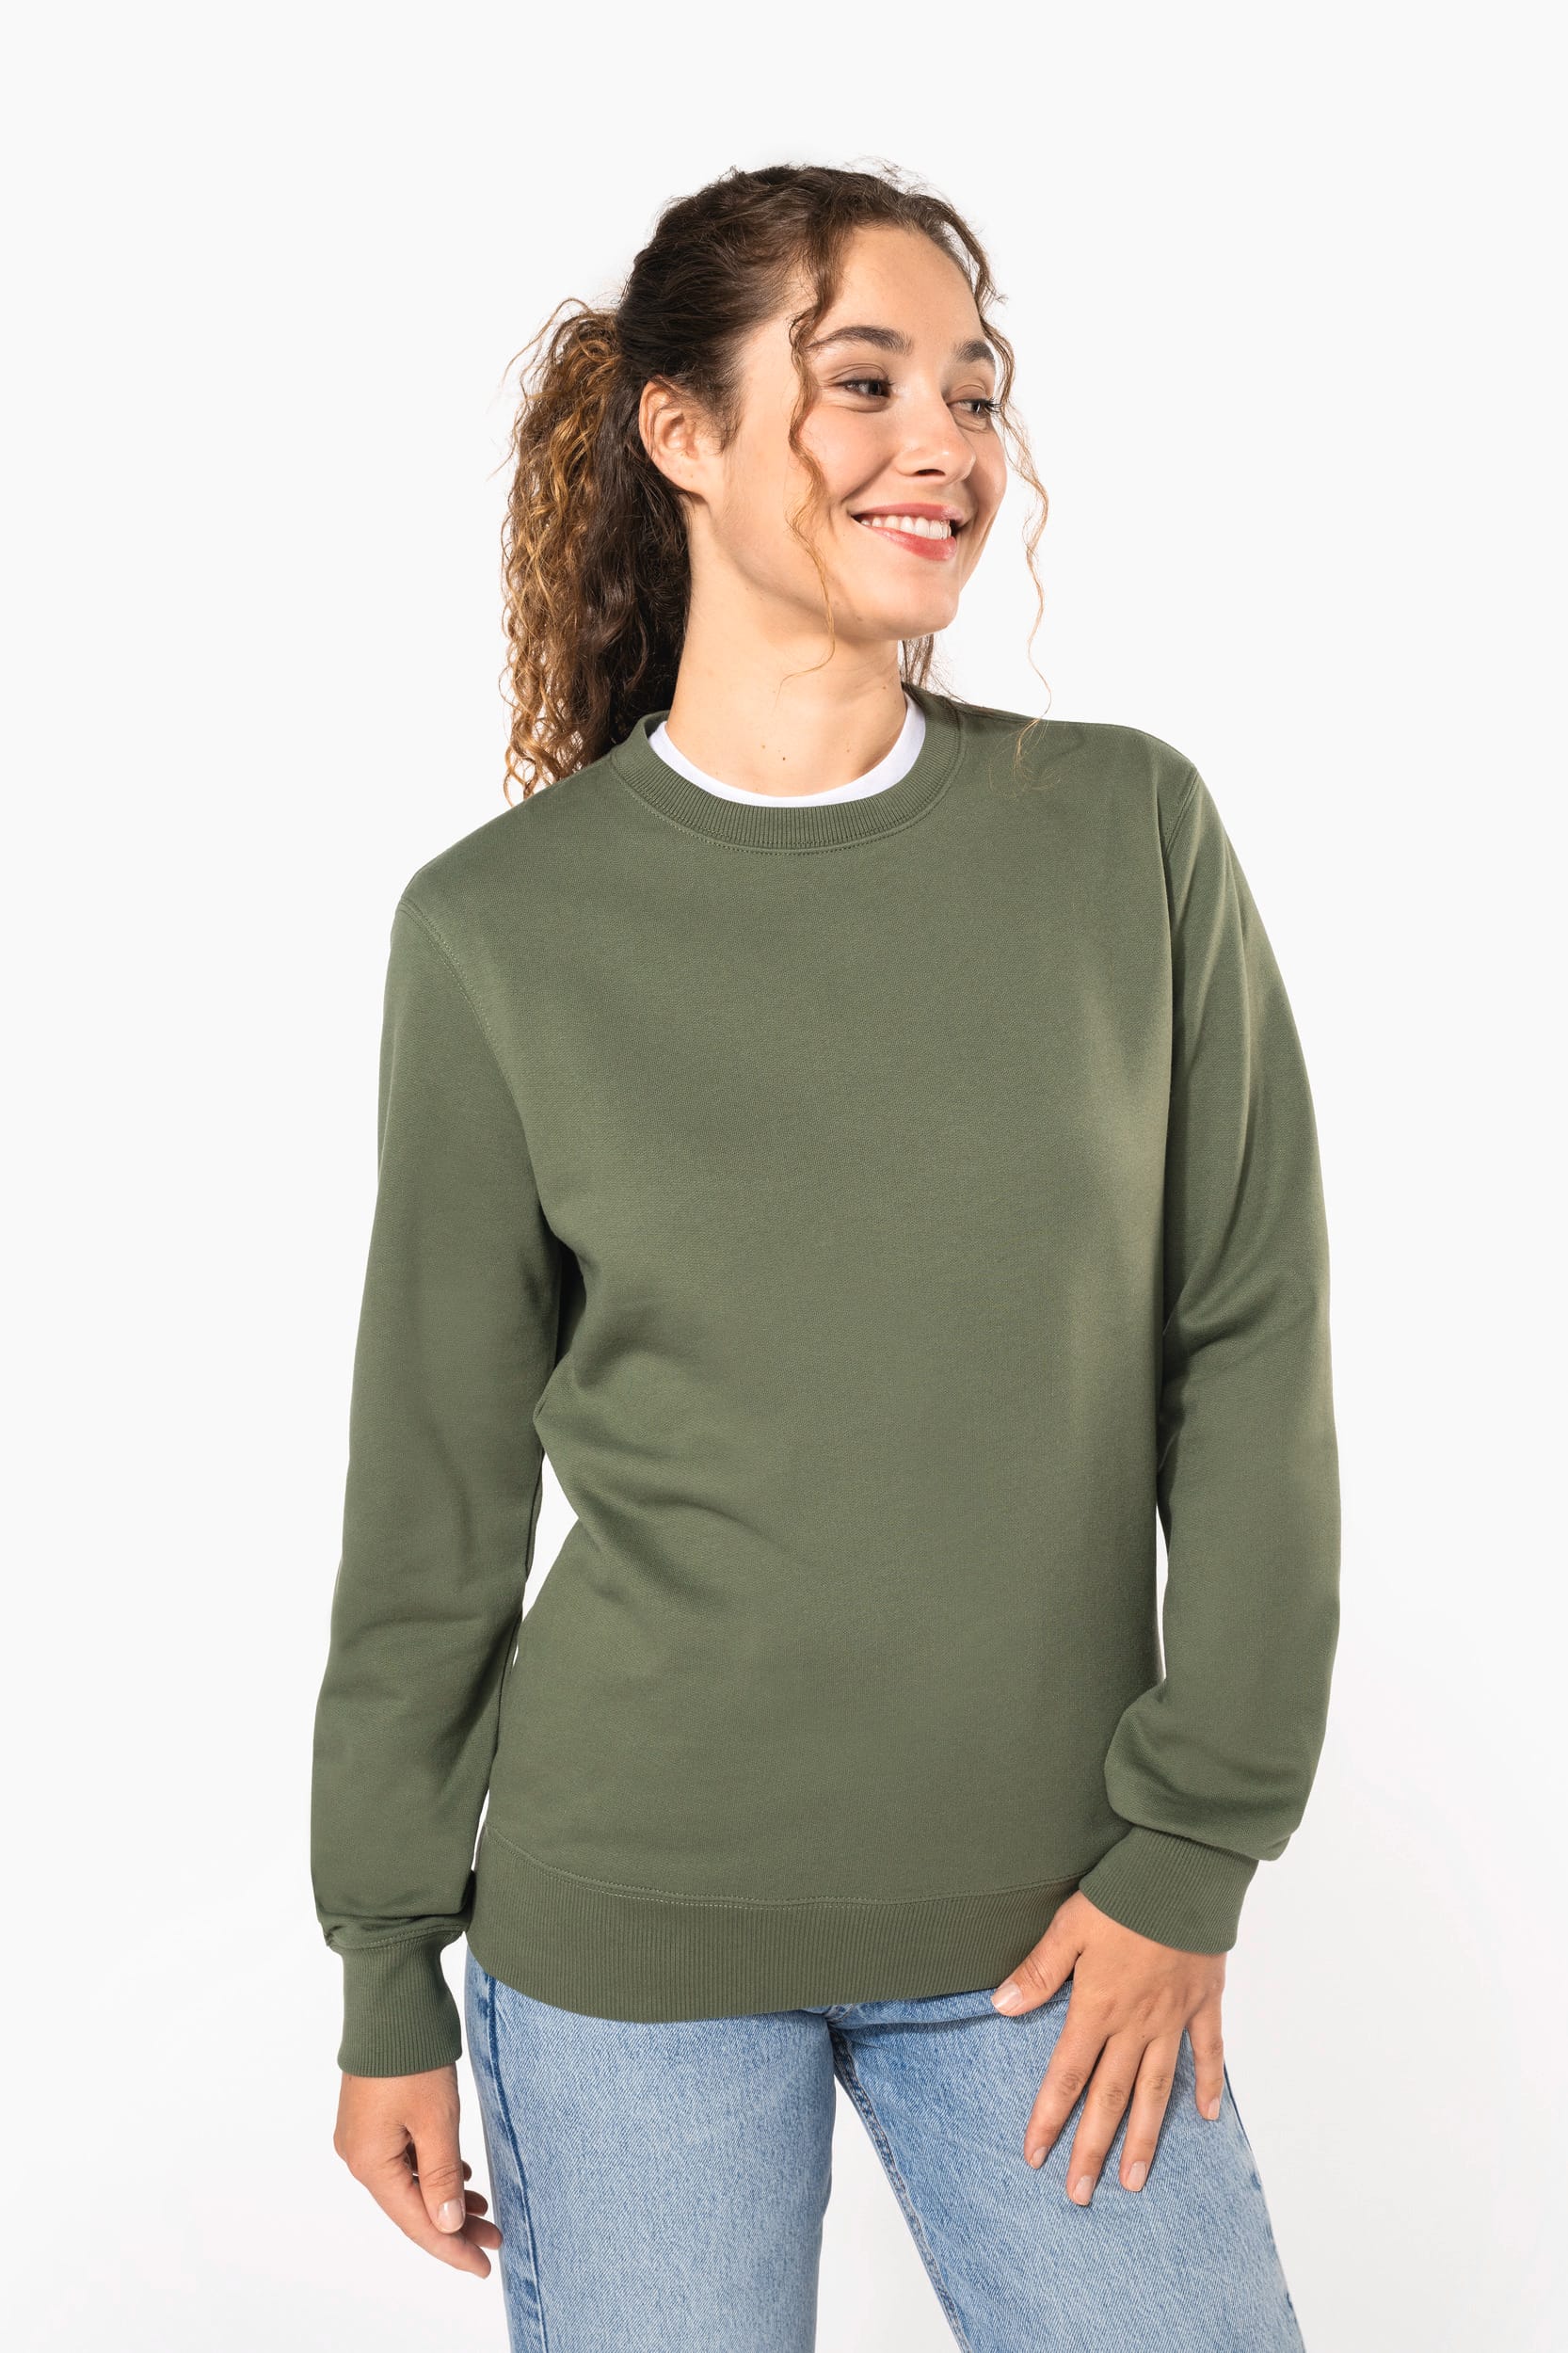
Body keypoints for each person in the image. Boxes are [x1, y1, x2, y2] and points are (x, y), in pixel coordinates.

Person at [310, 161, 1340, 2351]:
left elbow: (1243, 1345)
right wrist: (386, 1954)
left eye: (970, 385)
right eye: (860, 380)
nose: (939, 439)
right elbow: (435, 1483)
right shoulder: (499, 932)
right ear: (681, 430)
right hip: (624, 1936)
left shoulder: (1122, 835)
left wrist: (1193, 1844)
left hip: (1062, 1927)